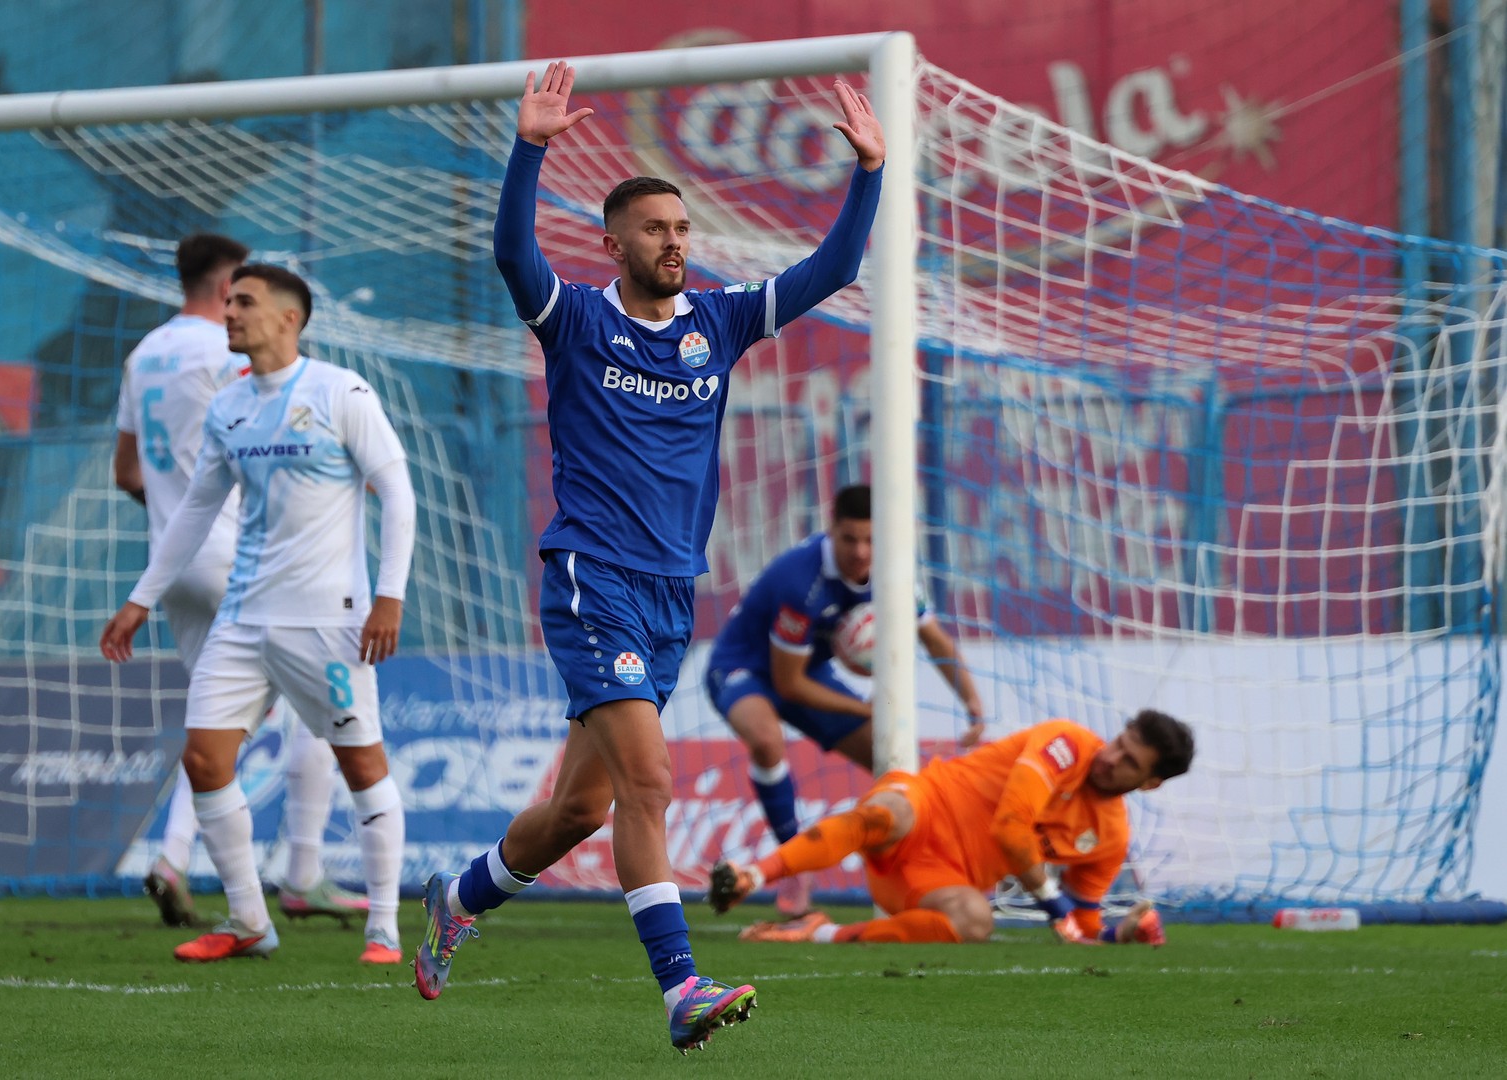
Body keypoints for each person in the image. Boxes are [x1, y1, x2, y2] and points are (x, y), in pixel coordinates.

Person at [412, 61, 885, 1053]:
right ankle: (680, 989)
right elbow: (511, 254)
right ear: (613, 242)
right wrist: (529, 150)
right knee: (651, 784)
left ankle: (456, 900)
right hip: (591, 576)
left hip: (671, 592)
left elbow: (834, 269)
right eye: (655, 229)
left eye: (681, 228)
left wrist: (869, 172)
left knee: (578, 809)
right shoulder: (577, 320)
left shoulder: (719, 322)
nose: (674, 241)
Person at [101, 263, 416, 966]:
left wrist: (389, 596)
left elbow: (397, 492)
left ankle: (384, 928)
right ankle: (248, 920)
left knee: (362, 764)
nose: (230, 312)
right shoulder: (228, 407)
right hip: (242, 620)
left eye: (244, 302)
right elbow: (195, 511)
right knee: (205, 759)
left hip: (327, 621)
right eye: (229, 301)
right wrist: (139, 599)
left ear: (288, 318)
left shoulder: (340, 392)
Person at [705, 482, 984, 917]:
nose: (860, 551)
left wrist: (972, 703)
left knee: (897, 764)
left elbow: (934, 640)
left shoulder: (895, 572)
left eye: (870, 539)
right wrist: (864, 708)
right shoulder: (801, 581)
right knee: (766, 740)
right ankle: (793, 868)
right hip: (744, 667)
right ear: (831, 529)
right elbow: (788, 685)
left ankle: (931, 873)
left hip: (809, 670)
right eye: (850, 539)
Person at [710, 710, 1193, 947]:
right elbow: (1010, 829)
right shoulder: (1066, 743)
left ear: (1149, 783)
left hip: (933, 882)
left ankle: (817, 932)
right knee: (888, 813)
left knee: (976, 921)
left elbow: (1081, 928)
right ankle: (752, 875)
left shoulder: (1110, 837)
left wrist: (1119, 935)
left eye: (1129, 761)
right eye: (1119, 742)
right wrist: (1052, 901)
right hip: (925, 805)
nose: (1111, 757)